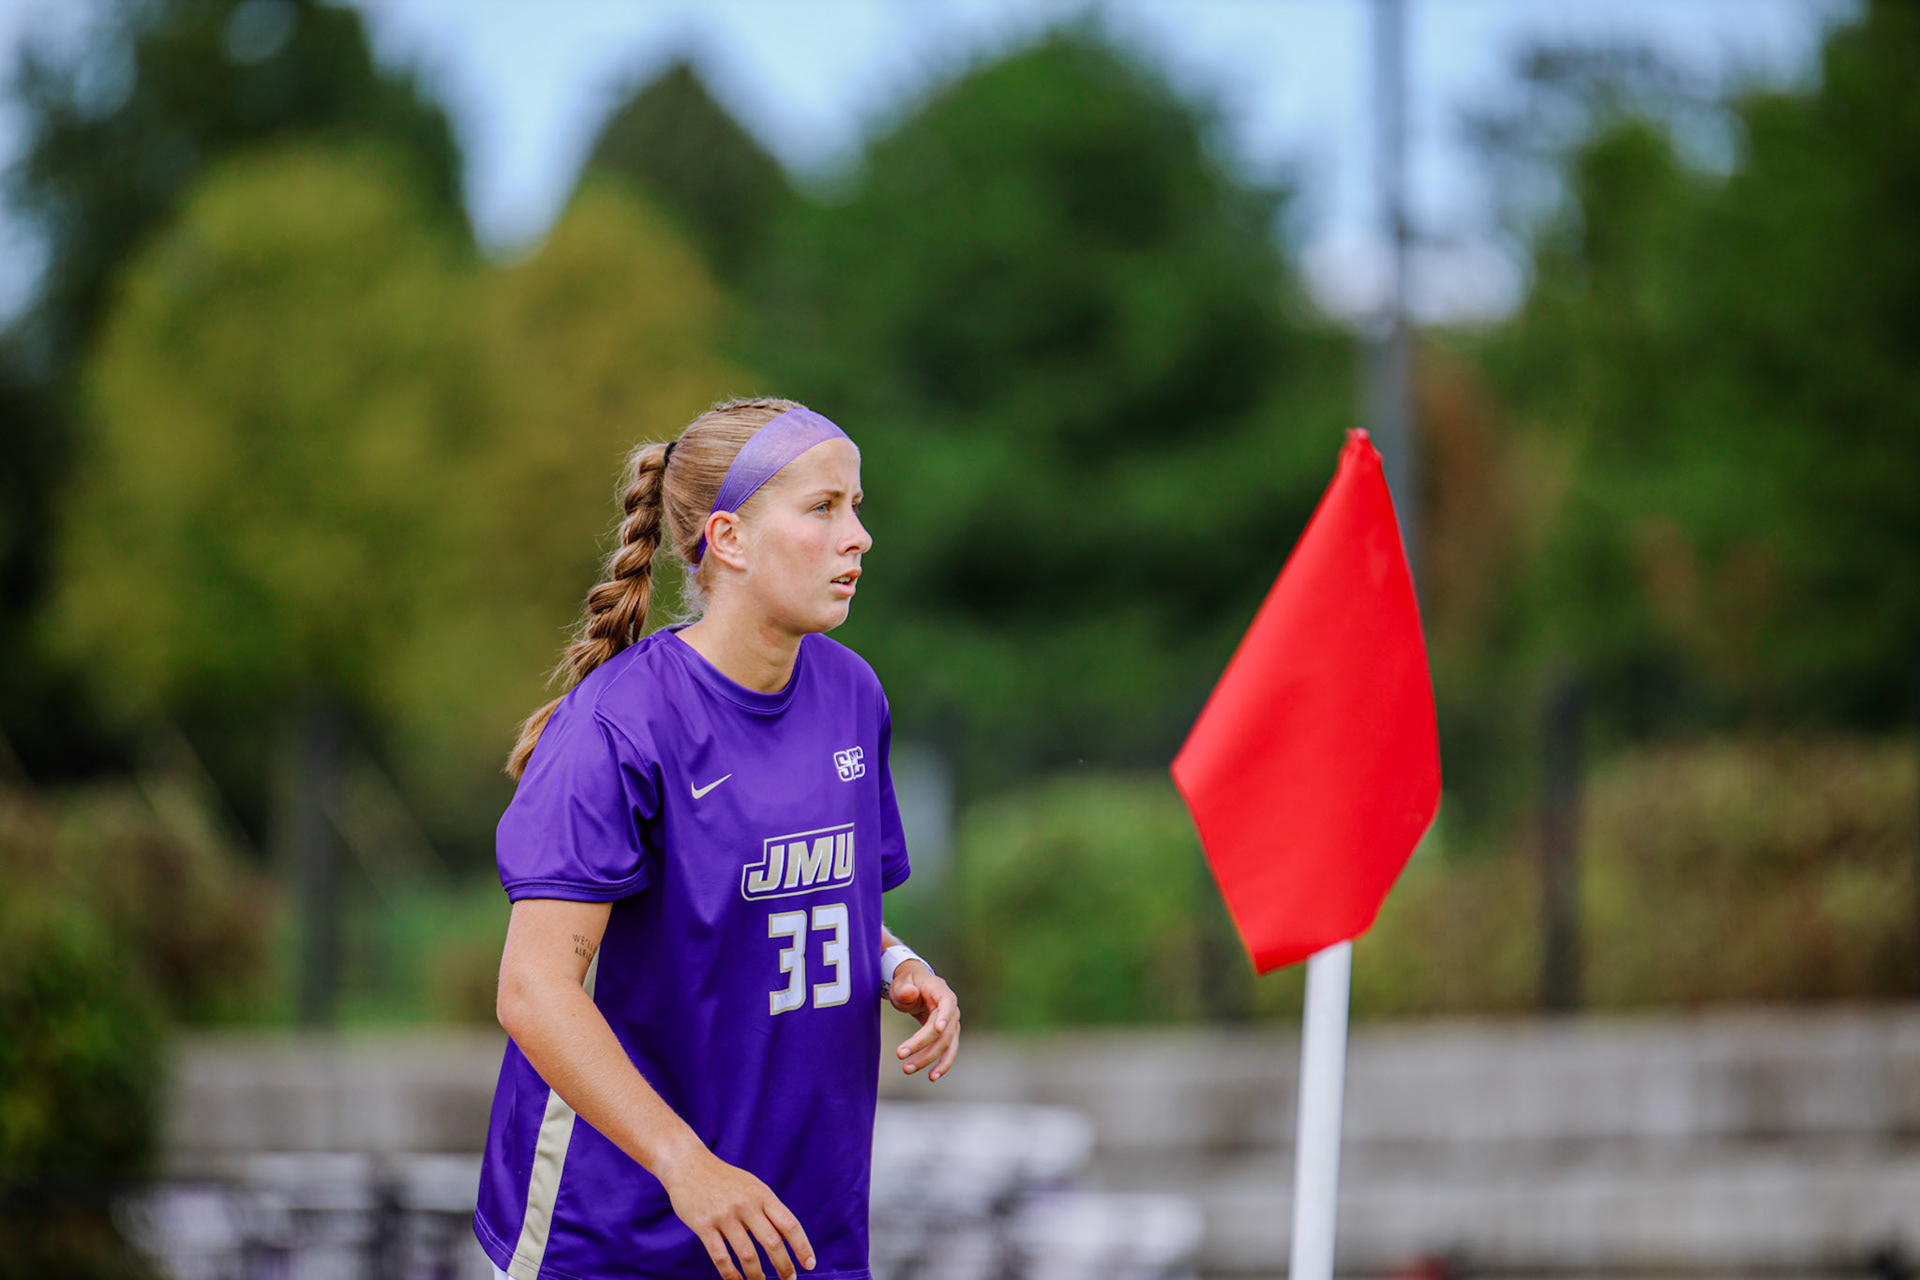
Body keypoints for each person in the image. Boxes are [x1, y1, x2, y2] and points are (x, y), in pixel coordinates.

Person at [473, 398, 961, 1280]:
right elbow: (533, 991)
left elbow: (805, 897)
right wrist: (685, 1166)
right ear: (728, 539)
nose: (859, 537)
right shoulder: (619, 725)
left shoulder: (853, 694)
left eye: (856, 506)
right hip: (622, 1229)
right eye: (823, 508)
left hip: (801, 1221)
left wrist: (897, 963)